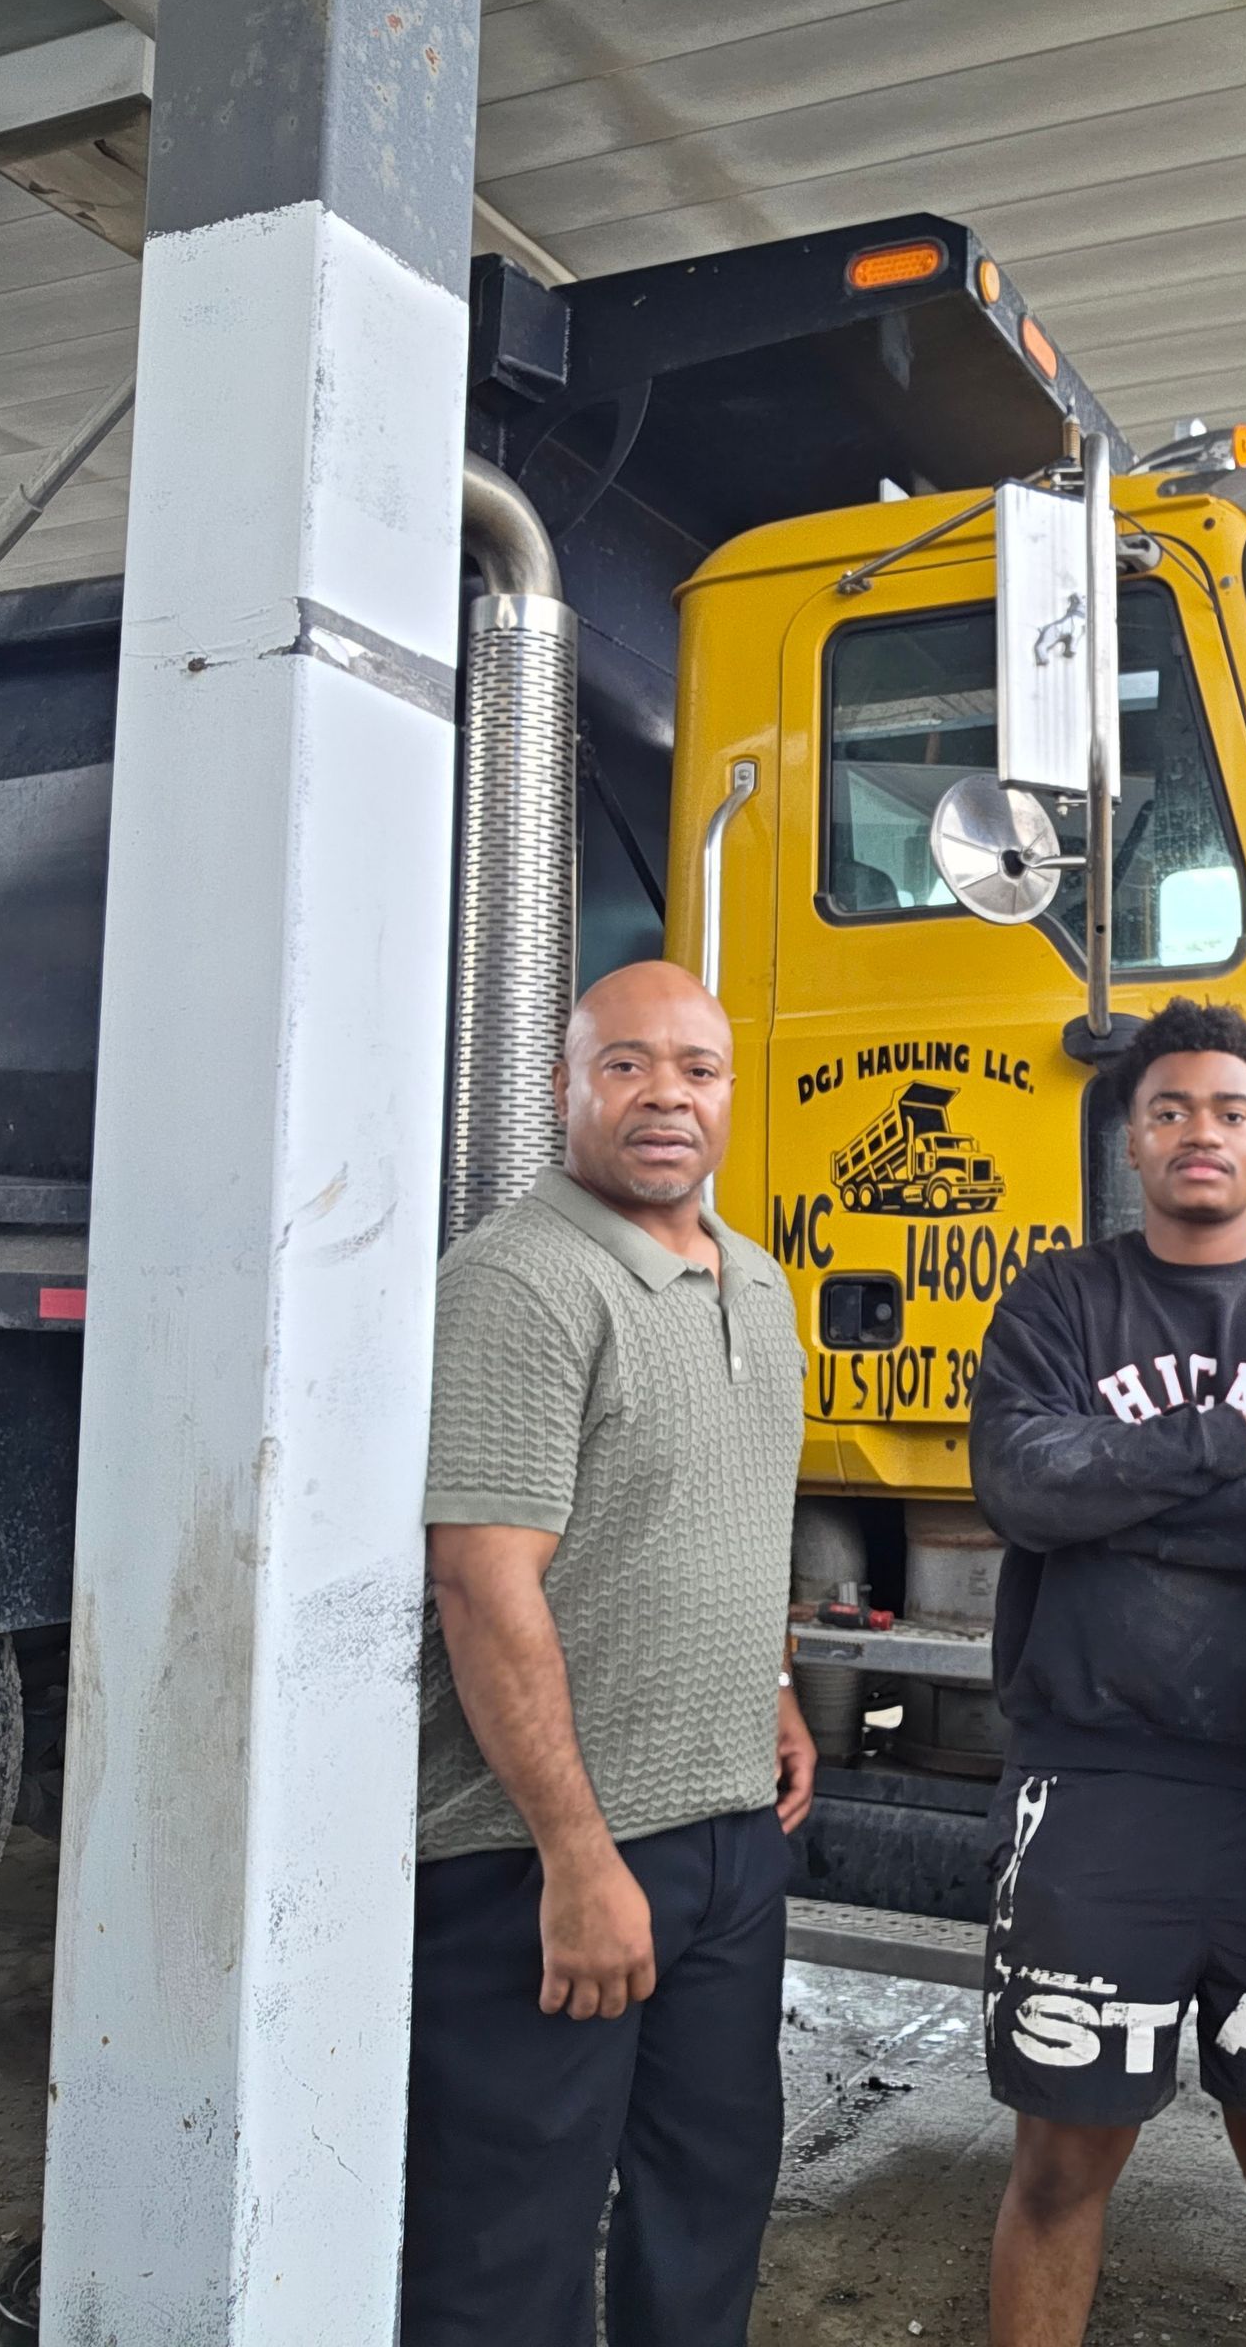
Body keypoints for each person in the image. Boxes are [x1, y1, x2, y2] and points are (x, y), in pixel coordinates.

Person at [969, 997, 1246, 2347]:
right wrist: (1230, 1440)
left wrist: (1126, 1510)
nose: (1198, 1134)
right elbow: (1020, 1486)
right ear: (1134, 1142)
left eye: (1227, 1111)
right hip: (1097, 1794)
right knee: (1059, 2164)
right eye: (1170, 1113)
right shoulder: (1059, 1300)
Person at [401, 961, 815, 2347]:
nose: (666, 1098)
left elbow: (720, 1510)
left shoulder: (754, 1281)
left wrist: (769, 1686)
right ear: (565, 1089)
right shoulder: (521, 1281)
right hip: (542, 1856)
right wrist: (579, 1862)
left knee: (708, 2202)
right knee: (506, 2239)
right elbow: (481, 1581)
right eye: (625, 1065)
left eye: (696, 1069)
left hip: (725, 1839)